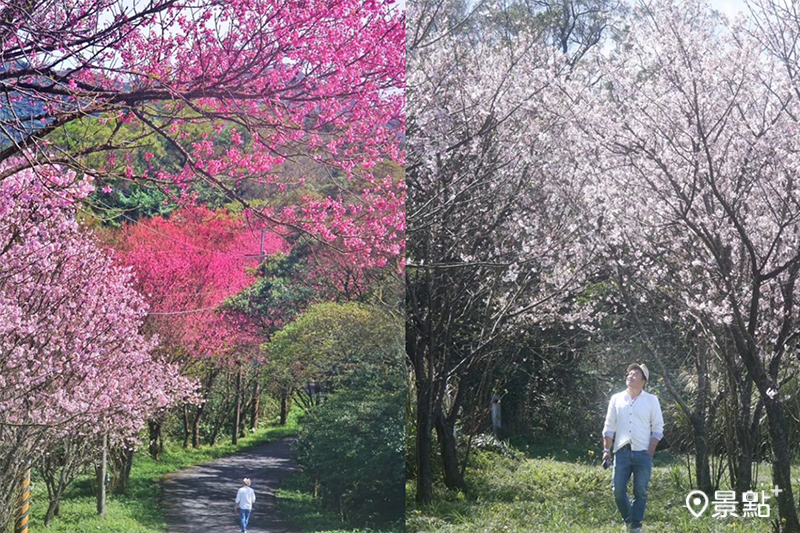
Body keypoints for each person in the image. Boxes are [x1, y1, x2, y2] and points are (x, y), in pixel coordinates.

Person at [602, 363, 664, 533]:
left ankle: (635, 526)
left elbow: (658, 427)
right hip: (621, 451)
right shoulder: (616, 398)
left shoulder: (652, 400)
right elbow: (609, 425)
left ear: (644, 381)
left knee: (640, 492)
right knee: (618, 491)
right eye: (629, 373)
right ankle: (630, 520)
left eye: (635, 374)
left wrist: (650, 450)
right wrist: (606, 450)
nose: (630, 376)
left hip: (643, 452)